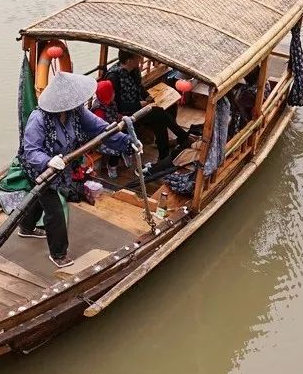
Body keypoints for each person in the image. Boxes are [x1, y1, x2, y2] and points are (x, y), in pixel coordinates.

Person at [22, 70, 134, 268]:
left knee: (38, 199)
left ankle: (26, 227)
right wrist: (47, 161)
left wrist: (126, 142)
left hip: (62, 169)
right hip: (40, 171)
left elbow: (100, 129)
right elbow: (31, 151)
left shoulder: (76, 112)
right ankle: (58, 253)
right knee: (54, 210)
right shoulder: (38, 119)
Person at [106, 49, 190, 161]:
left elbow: (139, 87)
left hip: (138, 108)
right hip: (125, 115)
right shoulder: (114, 77)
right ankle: (182, 137)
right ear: (129, 60)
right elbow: (116, 105)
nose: (140, 60)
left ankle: (165, 154)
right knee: (159, 114)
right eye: (138, 58)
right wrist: (138, 105)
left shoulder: (134, 70)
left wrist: (147, 97)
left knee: (159, 117)